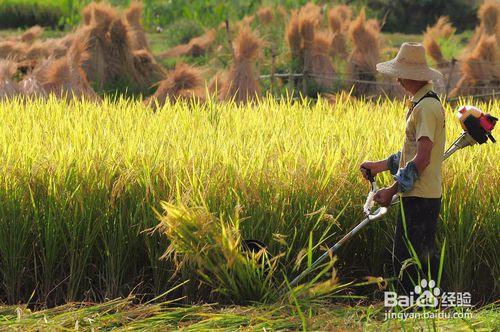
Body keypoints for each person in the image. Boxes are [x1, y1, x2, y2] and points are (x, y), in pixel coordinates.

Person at [360, 42, 446, 295]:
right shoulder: (420, 105)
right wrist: (379, 166)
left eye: (401, 73)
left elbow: (422, 159)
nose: (398, 79)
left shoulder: (427, 108)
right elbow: (409, 154)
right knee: (413, 260)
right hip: (417, 195)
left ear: (415, 76)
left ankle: (415, 315)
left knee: (408, 263)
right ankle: (421, 311)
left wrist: (392, 190)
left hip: (421, 197)